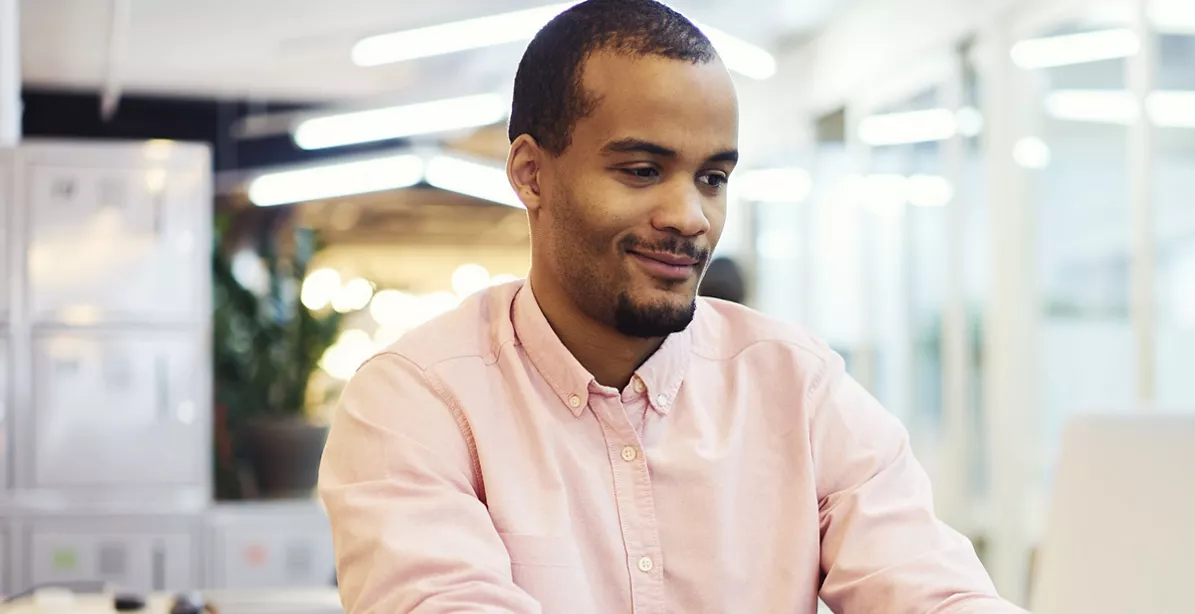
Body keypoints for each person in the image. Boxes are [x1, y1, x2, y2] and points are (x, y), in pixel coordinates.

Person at [317, 1, 1025, 612]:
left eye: (712, 178)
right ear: (532, 174)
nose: (690, 216)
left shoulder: (797, 387)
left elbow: (931, 588)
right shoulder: (419, 399)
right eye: (642, 171)